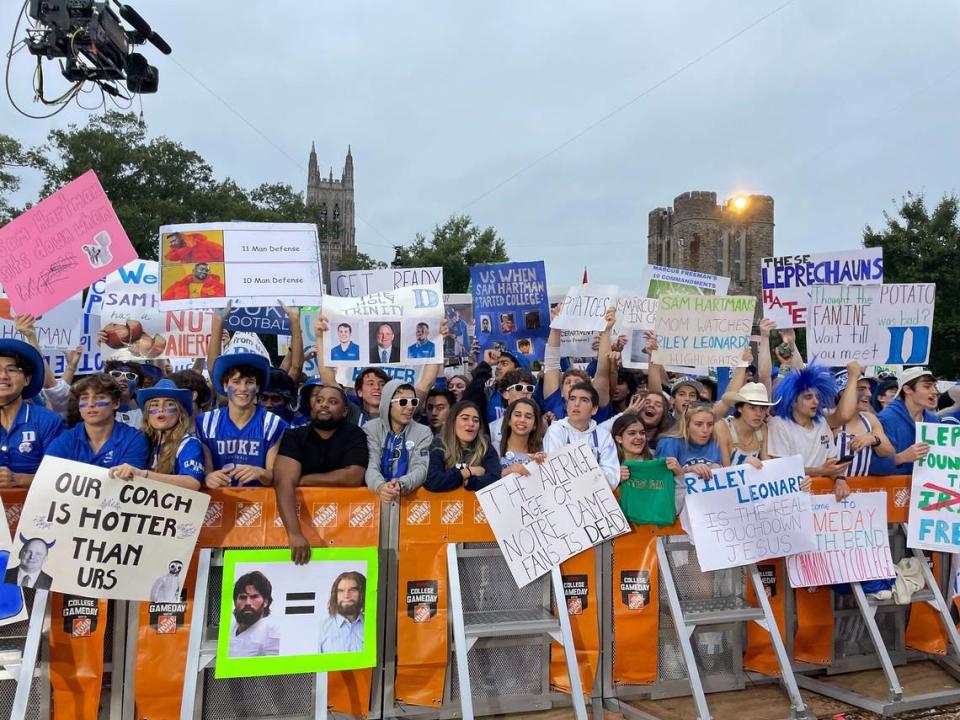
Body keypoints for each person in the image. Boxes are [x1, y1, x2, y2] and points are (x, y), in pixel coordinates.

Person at [275, 384, 369, 564]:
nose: (324, 405)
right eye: (319, 400)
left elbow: (353, 477)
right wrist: (294, 534)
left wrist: (305, 479)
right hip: (297, 529)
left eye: (332, 402)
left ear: (344, 411)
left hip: (348, 530)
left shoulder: (355, 434)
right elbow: (284, 482)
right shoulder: (294, 436)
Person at [766, 363, 860, 500]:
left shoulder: (822, 423)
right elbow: (781, 470)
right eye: (808, 397)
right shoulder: (778, 425)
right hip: (790, 501)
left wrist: (840, 479)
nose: (816, 402)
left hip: (819, 500)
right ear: (793, 401)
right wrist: (820, 471)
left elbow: (831, 462)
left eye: (817, 397)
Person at [196, 348, 287, 488]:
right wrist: (208, 477)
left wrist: (260, 472)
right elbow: (205, 471)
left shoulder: (273, 424)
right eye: (236, 381)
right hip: (217, 504)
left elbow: (274, 477)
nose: (243, 388)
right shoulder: (206, 422)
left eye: (249, 382)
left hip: (259, 506)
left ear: (257, 387)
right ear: (225, 386)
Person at [108, 379, 206, 490]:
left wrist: (144, 475)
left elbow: (192, 483)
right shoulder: (137, 440)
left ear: (180, 413)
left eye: (169, 404)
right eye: (154, 405)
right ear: (147, 414)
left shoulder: (189, 444)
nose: (161, 409)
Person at [46, 374, 149, 469]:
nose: (91, 404)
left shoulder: (134, 439)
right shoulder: (65, 440)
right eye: (85, 398)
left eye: (100, 398)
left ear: (116, 403)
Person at [0, 338, 65, 487]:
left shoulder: (49, 421)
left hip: (35, 507)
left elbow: (62, 477)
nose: (3, 376)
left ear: (27, 379)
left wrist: (18, 479)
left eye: (11, 369)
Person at [364, 380, 433, 502]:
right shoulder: (370, 429)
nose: (410, 406)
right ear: (387, 404)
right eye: (403, 402)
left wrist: (401, 485)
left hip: (410, 504)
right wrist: (380, 487)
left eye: (414, 401)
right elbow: (371, 464)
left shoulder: (423, 432)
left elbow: (421, 467)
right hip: (375, 504)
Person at [543, 382, 620, 489]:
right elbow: (555, 469)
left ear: (594, 409)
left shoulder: (604, 436)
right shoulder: (556, 430)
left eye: (584, 400)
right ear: (567, 405)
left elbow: (612, 477)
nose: (576, 404)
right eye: (572, 399)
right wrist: (592, 471)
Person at [871, 367, 941, 475]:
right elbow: (872, 466)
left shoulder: (934, 420)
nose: (935, 391)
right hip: (894, 489)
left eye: (935, 386)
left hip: (925, 489)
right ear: (907, 389)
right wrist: (901, 458)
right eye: (927, 386)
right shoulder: (885, 419)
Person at [425, 401, 501, 492]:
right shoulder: (438, 445)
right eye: (465, 418)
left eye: (476, 420)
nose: (471, 424)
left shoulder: (485, 446)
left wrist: (468, 483)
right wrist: (467, 472)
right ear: (453, 421)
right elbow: (433, 481)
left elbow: (495, 479)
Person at [835, 375, 895, 477]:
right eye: (861, 389)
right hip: (828, 490)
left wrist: (874, 439)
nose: (869, 394)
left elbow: (889, 452)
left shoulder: (870, 419)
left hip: (862, 490)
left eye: (869, 389)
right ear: (844, 393)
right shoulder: (829, 420)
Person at [656, 403, 723, 487]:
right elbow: (660, 482)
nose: (705, 430)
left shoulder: (715, 443)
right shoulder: (668, 443)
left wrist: (718, 470)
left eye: (710, 424)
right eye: (698, 424)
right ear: (686, 425)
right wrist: (688, 470)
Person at [716, 383, 777, 468]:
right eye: (752, 408)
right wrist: (744, 465)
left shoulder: (763, 428)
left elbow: (767, 465)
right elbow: (725, 472)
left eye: (763, 408)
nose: (759, 414)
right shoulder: (722, 427)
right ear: (739, 408)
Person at [229, 571, 280, 657]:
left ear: (265, 602)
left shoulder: (271, 631)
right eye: (242, 597)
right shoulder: (229, 627)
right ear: (235, 601)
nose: (248, 603)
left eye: (254, 597)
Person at [487, 368, 537, 449]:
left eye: (530, 388)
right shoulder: (492, 429)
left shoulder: (538, 425)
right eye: (519, 387)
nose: (526, 392)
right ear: (506, 394)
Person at [318, 571, 365, 653]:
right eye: (341, 591)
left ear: (362, 593)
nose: (346, 595)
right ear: (335, 595)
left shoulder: (375, 626)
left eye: (353, 590)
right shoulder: (322, 629)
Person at [499, 398, 546, 474]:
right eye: (517, 415)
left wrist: (542, 464)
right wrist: (507, 471)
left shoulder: (542, 451)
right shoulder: (494, 448)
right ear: (509, 421)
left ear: (535, 425)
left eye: (528, 417)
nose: (522, 420)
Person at [103, 359, 145, 428]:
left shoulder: (145, 416)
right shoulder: (96, 412)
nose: (123, 379)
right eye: (116, 374)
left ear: (137, 387)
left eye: (130, 376)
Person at [612, 413, 653, 482]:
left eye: (642, 433)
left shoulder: (654, 464)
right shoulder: (609, 468)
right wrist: (615, 480)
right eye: (632, 433)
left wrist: (678, 474)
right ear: (619, 439)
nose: (639, 437)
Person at [161, 262, 226, 300]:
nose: (204, 272)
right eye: (201, 269)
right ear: (193, 271)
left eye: (206, 270)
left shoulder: (219, 287)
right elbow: (165, 300)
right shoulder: (178, 285)